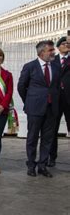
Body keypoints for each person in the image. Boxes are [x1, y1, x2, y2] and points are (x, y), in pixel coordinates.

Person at [18, 40, 60, 177]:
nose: (53, 52)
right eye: (50, 50)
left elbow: (56, 86)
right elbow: (21, 86)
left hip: (51, 108)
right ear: (42, 52)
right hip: (35, 108)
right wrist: (29, 101)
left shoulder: (55, 66)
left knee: (47, 138)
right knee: (32, 137)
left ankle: (42, 165)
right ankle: (31, 164)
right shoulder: (30, 66)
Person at [48, 36, 70, 167]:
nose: (67, 45)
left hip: (69, 99)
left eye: (68, 43)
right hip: (55, 100)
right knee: (52, 129)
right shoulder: (52, 60)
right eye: (64, 43)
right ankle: (52, 157)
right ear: (58, 46)